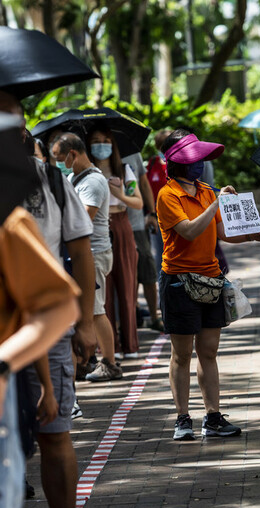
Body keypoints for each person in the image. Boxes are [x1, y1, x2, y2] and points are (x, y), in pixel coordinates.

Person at [0, 90, 92, 508]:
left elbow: (79, 250)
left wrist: (85, 323)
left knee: (54, 430)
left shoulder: (54, 181)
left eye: (14, 121)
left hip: (49, 328)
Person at [157, 129, 260, 441]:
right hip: (179, 282)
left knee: (208, 351)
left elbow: (222, 233)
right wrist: (216, 203)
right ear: (178, 163)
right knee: (181, 354)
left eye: (202, 160)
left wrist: (252, 234)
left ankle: (213, 416)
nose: (200, 165)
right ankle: (183, 418)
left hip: (211, 278)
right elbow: (190, 231)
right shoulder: (167, 195)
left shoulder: (207, 191)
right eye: (194, 160)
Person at [52, 133, 122, 382]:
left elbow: (82, 220)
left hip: (94, 253)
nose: (59, 163)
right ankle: (93, 360)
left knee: (95, 310)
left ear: (73, 154)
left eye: (61, 158)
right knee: (91, 309)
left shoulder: (92, 182)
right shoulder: (74, 177)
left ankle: (110, 363)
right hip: (86, 254)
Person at [87, 127, 142, 360]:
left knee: (127, 285)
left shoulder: (125, 170)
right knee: (103, 289)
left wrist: (117, 193)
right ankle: (111, 347)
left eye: (106, 140)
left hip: (120, 224)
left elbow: (137, 202)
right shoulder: (86, 172)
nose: (102, 145)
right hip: (96, 229)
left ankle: (130, 344)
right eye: (96, 141)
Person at [122, 150, 164, 332]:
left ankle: (154, 317)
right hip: (112, 224)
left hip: (137, 223)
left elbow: (144, 184)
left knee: (147, 268)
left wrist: (152, 213)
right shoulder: (93, 154)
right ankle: (132, 316)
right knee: (125, 274)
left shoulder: (133, 154)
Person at [147, 130, 171, 276]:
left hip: (176, 214)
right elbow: (147, 188)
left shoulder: (180, 164)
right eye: (162, 145)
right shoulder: (153, 163)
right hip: (157, 215)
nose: (165, 148)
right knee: (160, 252)